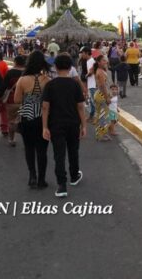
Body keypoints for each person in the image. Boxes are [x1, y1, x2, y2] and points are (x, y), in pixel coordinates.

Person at [42, 53, 87, 198]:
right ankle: (74, 176)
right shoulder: (75, 84)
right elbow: (80, 107)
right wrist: (84, 125)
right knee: (73, 150)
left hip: (56, 124)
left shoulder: (50, 84)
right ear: (70, 67)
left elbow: (45, 107)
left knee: (59, 154)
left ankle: (62, 185)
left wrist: (44, 127)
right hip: (73, 123)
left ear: (55, 67)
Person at [14, 51, 50, 188]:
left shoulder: (22, 80)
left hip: (27, 117)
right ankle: (42, 179)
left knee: (29, 148)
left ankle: (32, 176)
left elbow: (17, 99)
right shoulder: (47, 80)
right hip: (43, 118)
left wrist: (28, 99)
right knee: (42, 150)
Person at [2, 55, 27, 147]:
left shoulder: (10, 73)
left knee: (11, 120)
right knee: (25, 120)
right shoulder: (27, 73)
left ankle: (11, 139)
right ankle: (26, 139)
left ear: (15, 62)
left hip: (12, 100)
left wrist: (1, 97)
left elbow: (4, 86)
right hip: (25, 100)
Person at [92, 55, 112, 141]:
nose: (105, 62)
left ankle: (101, 134)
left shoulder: (100, 70)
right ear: (99, 62)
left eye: (106, 60)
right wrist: (107, 97)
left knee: (101, 115)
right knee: (103, 116)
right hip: (101, 95)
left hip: (100, 94)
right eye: (103, 61)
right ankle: (101, 135)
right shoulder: (100, 72)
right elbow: (103, 86)